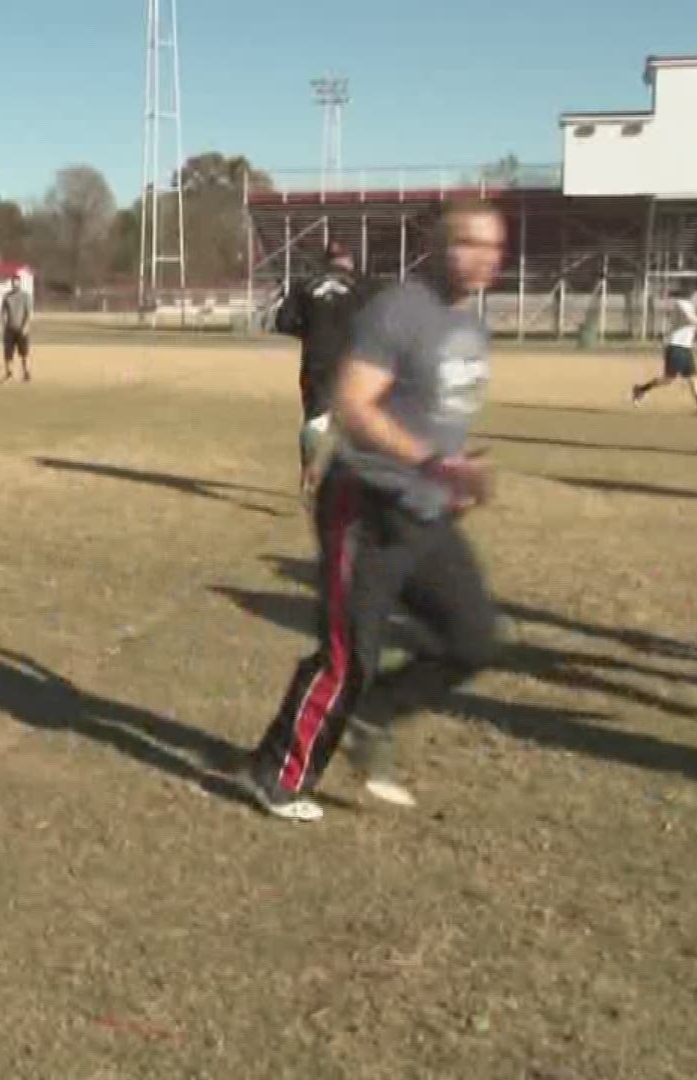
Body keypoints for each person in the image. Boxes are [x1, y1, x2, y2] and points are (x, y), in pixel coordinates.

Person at [245, 199, 505, 823]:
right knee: (347, 657)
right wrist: (432, 462)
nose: (481, 256)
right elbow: (354, 406)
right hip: (363, 503)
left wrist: (454, 467)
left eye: (493, 246)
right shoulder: (399, 309)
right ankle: (274, 777)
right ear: (439, 245)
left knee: (472, 638)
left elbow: (433, 413)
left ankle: (374, 715)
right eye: (467, 241)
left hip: (426, 508)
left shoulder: (470, 328)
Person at [275, 241, 370, 498]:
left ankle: (309, 469)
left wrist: (310, 332)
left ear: (325, 259)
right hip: (354, 362)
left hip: (316, 358)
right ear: (349, 260)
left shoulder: (304, 285)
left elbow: (282, 322)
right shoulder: (362, 286)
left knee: (316, 418)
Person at [632, 288, 697, 415]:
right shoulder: (682, 304)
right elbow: (691, 320)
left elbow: (693, 320)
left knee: (693, 377)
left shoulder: (690, 307)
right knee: (668, 379)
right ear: (692, 295)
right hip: (676, 346)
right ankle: (641, 389)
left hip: (685, 348)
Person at [0, 274, 34, 383]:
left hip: (21, 328)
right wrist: (0, 325)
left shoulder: (25, 296)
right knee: (8, 352)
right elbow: (3, 312)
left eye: (16, 282)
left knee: (24, 353)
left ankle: (26, 373)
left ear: (19, 283)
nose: (14, 284)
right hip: (9, 329)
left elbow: (29, 313)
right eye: (13, 282)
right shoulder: (7, 296)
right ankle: (9, 373)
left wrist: (26, 326)